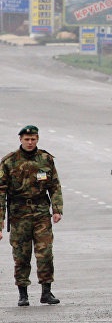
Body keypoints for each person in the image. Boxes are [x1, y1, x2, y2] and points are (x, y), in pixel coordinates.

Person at [0, 125, 62, 307]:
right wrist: (1, 221)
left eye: (33, 139)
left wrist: (57, 209)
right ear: (20, 139)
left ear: (37, 139)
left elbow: (55, 186)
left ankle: (46, 292)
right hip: (19, 215)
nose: (30, 142)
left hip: (41, 212)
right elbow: (1, 192)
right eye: (26, 139)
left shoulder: (45, 159)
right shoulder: (9, 162)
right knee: (21, 255)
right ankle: (23, 294)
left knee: (45, 254)